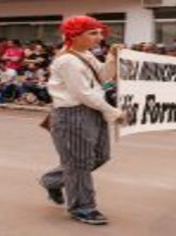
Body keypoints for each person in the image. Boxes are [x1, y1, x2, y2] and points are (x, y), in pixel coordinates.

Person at [39, 15, 125, 225]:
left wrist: (112, 57)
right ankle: (82, 207)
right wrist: (114, 112)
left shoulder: (86, 54)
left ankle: (52, 180)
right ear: (75, 35)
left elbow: (103, 77)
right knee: (78, 164)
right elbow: (83, 94)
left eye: (99, 32)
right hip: (73, 114)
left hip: (93, 111)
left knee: (100, 156)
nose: (99, 37)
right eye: (92, 33)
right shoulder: (67, 60)